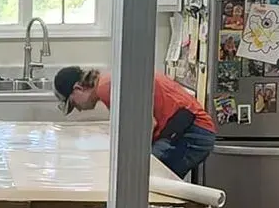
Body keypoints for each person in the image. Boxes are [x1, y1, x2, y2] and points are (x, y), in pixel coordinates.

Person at [52, 65, 217, 177]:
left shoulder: (107, 88)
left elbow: (145, 124)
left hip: (192, 131)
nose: (78, 109)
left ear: (78, 89)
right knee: (148, 180)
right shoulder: (107, 83)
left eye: (73, 103)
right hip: (183, 127)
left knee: (146, 181)